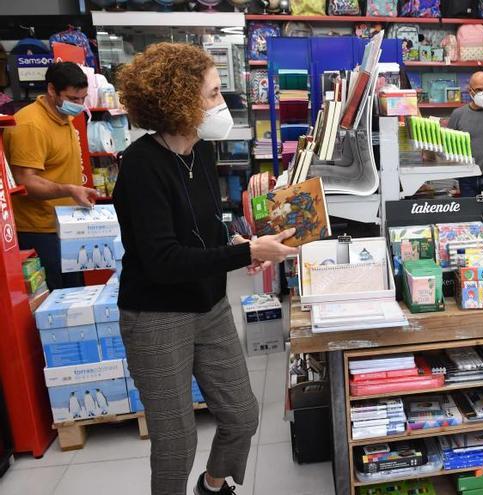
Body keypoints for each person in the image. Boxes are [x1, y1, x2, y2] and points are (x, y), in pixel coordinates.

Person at [113, 43, 298, 495]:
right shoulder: (141, 167)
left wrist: (234, 243)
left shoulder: (200, 153)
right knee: (176, 441)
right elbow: (162, 260)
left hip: (209, 305)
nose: (222, 104)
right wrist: (246, 252)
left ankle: (213, 486)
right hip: (157, 317)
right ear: (178, 99)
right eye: (213, 94)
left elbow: (199, 228)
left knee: (242, 415)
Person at [4, 62, 99, 290]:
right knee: (56, 300)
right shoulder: (31, 125)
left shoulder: (62, 115)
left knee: (76, 295)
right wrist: (68, 189)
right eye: (72, 99)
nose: (78, 105)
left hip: (67, 225)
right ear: (51, 90)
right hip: (40, 230)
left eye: (82, 99)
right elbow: (25, 181)